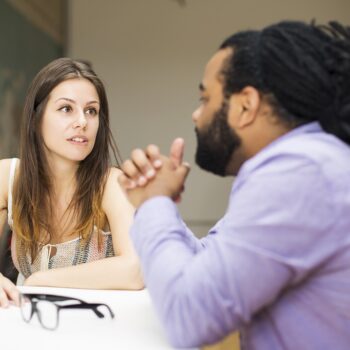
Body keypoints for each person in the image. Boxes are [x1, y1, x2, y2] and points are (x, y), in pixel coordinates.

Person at [118, 21, 350, 349]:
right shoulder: (304, 166)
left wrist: (153, 202)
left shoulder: (300, 174)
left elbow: (189, 317)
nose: (197, 115)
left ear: (245, 105)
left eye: (205, 98)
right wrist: (160, 204)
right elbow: (208, 263)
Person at [0, 58, 143, 308]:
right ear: (36, 118)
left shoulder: (112, 184)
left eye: (91, 111)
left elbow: (136, 269)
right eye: (66, 109)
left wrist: (39, 280)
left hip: (101, 332)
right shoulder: (9, 177)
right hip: (29, 328)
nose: (83, 122)